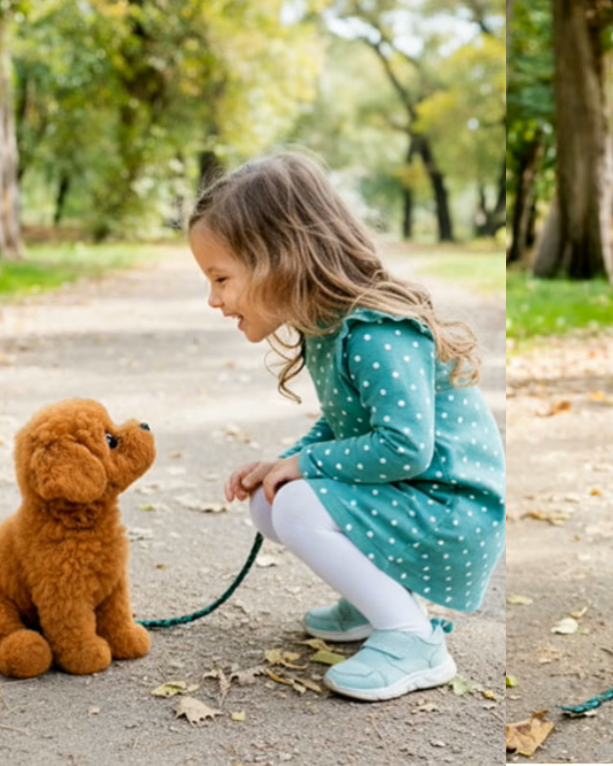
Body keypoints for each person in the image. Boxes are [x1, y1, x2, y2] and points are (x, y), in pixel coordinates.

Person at [187, 152, 504, 702]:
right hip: (415, 498)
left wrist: (304, 465)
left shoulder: (376, 332)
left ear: (280, 260)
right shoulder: (327, 327)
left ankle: (413, 639)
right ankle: (374, 601)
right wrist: (284, 462)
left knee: (296, 504)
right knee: (270, 497)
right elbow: (344, 426)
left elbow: (404, 448)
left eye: (221, 278)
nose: (213, 299)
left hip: (452, 510)